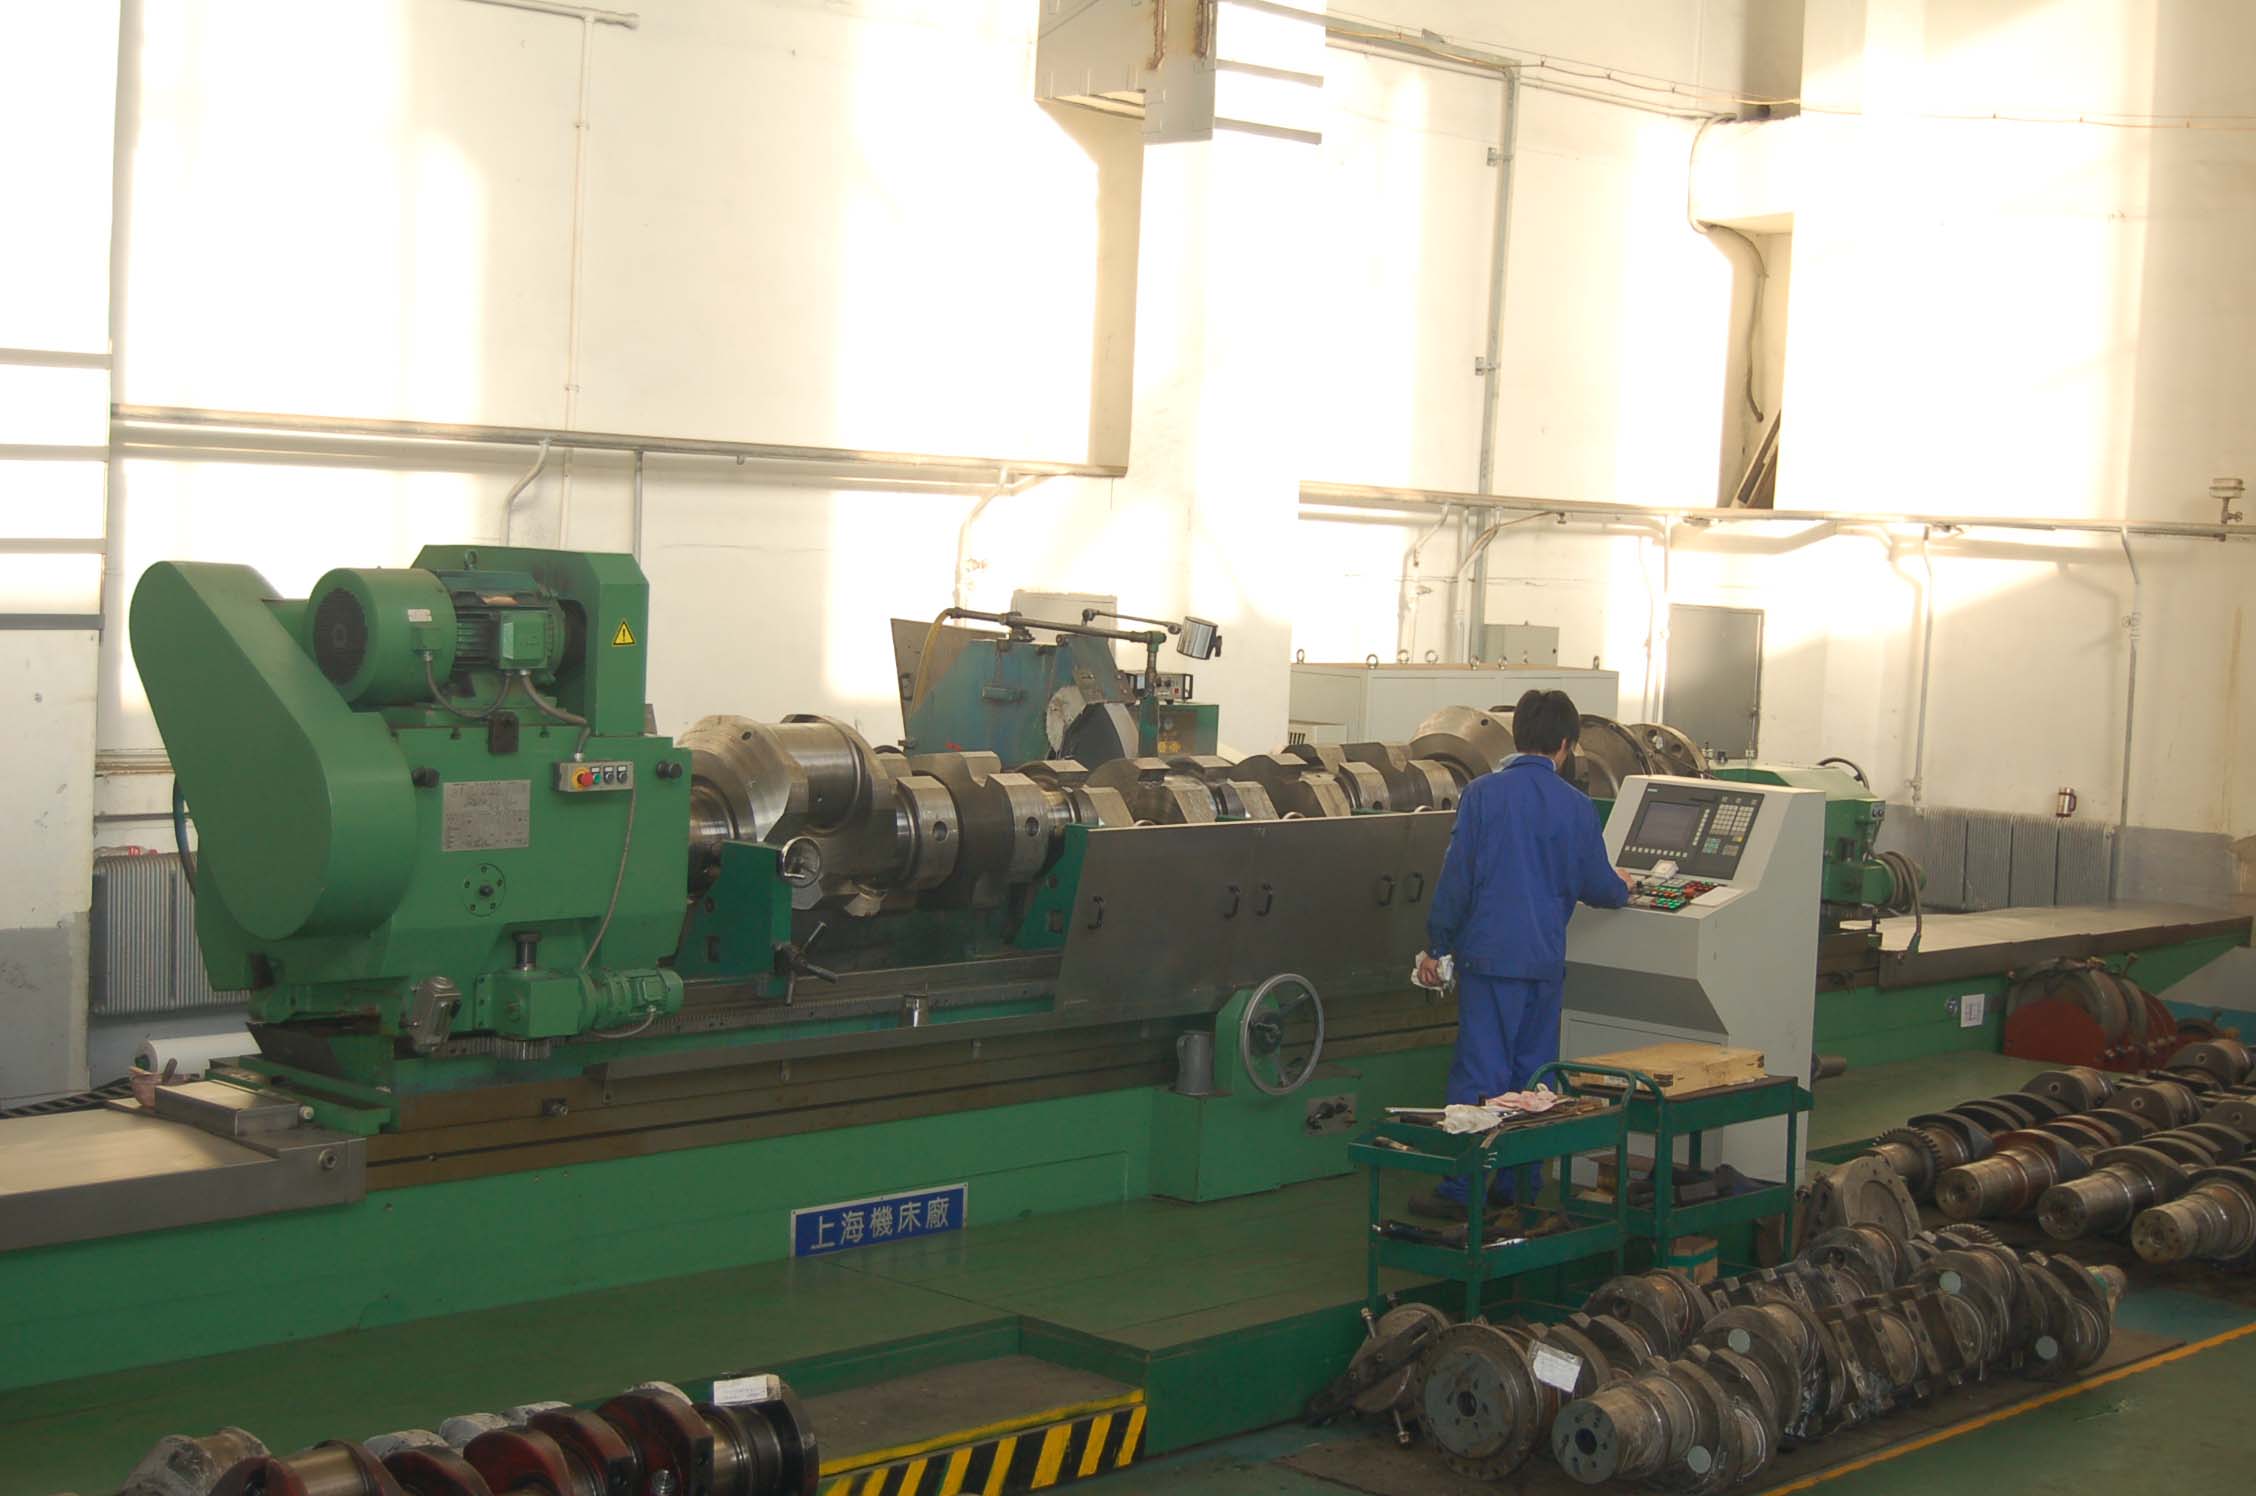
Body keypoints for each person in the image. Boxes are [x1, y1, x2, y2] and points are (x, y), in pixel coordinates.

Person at [1411, 688, 1634, 1222]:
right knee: (1534, 1081)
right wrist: (1624, 886)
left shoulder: (1483, 796)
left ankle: (1465, 1191)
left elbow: (1457, 879)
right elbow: (1599, 886)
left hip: (1490, 961)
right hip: (1543, 964)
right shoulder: (1577, 806)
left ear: (1519, 736)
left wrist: (1437, 945)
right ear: (1566, 745)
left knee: (1481, 1076)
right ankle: (1520, 1186)